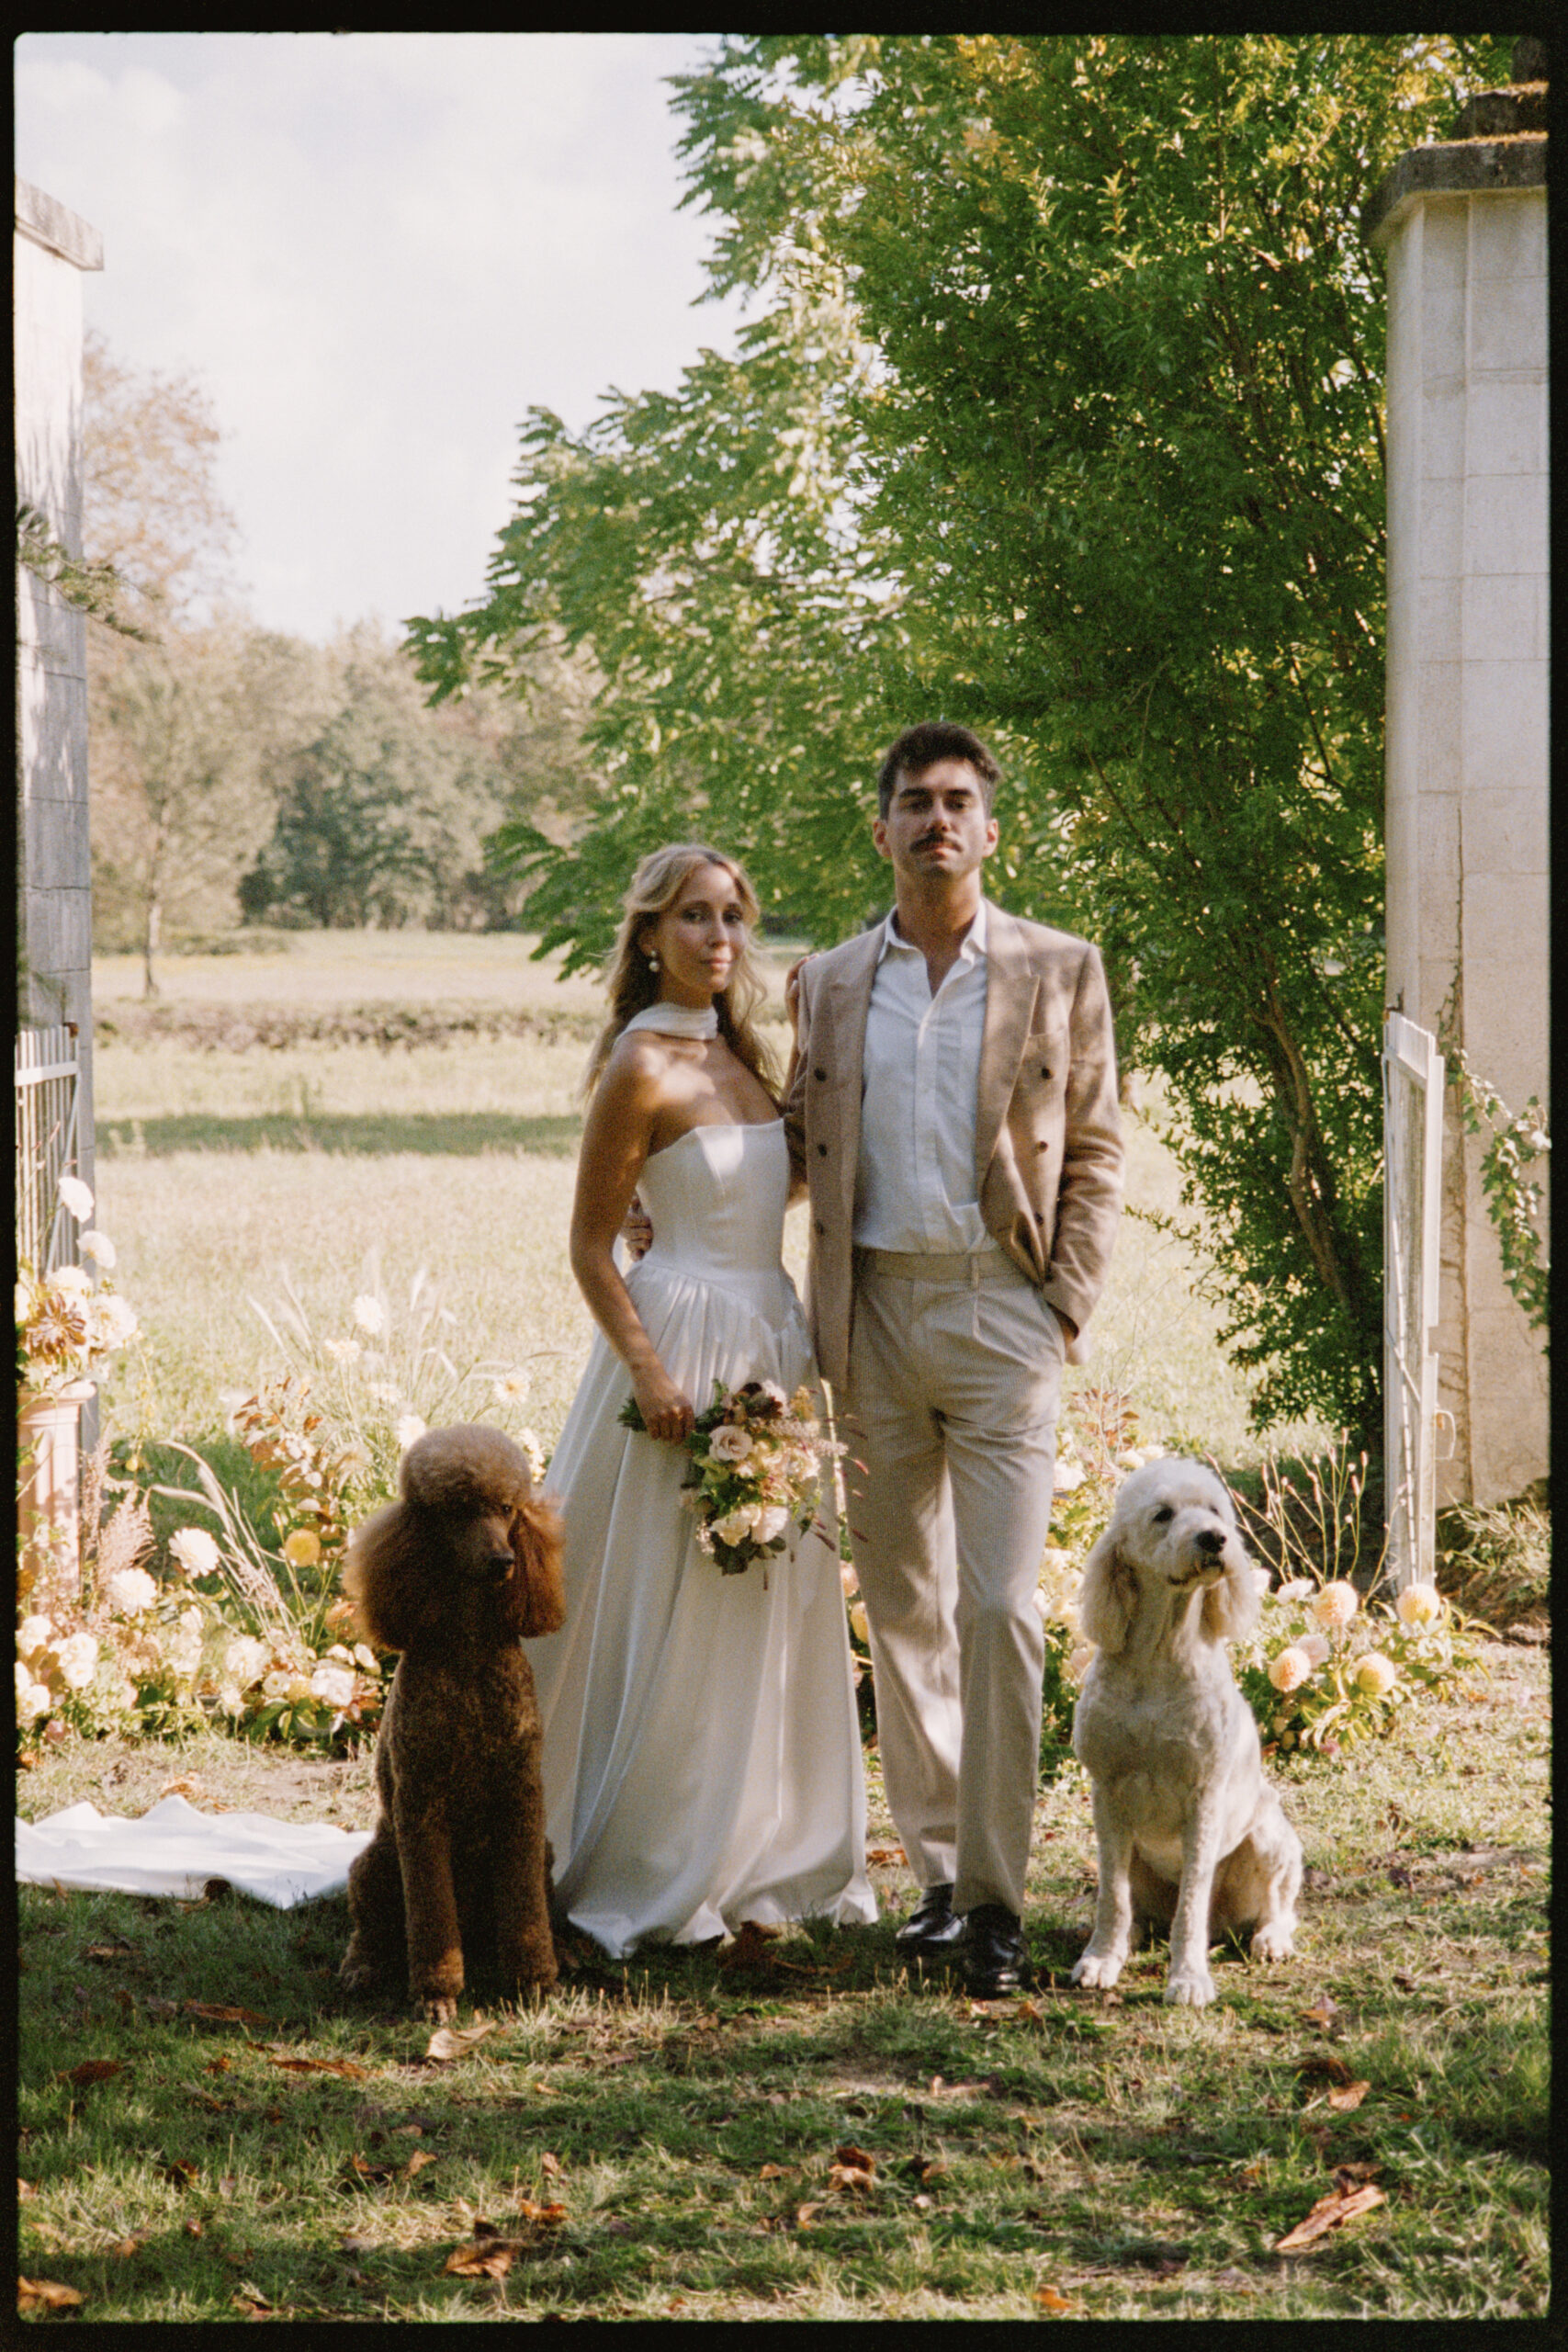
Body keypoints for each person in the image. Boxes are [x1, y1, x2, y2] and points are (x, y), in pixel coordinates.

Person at [784, 720, 1124, 1996]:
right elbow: (793, 1135)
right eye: (915, 801)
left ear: (989, 829)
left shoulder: (1058, 967)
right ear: (880, 829)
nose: (937, 820)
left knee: (999, 1608)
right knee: (904, 1608)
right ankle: (936, 1878)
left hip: (1000, 1315)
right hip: (869, 1312)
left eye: (958, 802)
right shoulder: (826, 980)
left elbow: (1095, 1144)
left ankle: (996, 1900)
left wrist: (1062, 1305)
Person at [529, 842, 876, 1958]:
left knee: (762, 1593)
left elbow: (776, 1178)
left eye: (732, 915)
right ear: (648, 935)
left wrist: (821, 1060)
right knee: (669, 1596)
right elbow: (590, 1246)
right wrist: (649, 1373)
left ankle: (759, 1846)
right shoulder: (640, 1065)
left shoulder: (739, 1052)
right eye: (693, 916)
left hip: (771, 1339)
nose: (718, 936)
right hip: (679, 1345)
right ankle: (648, 1851)